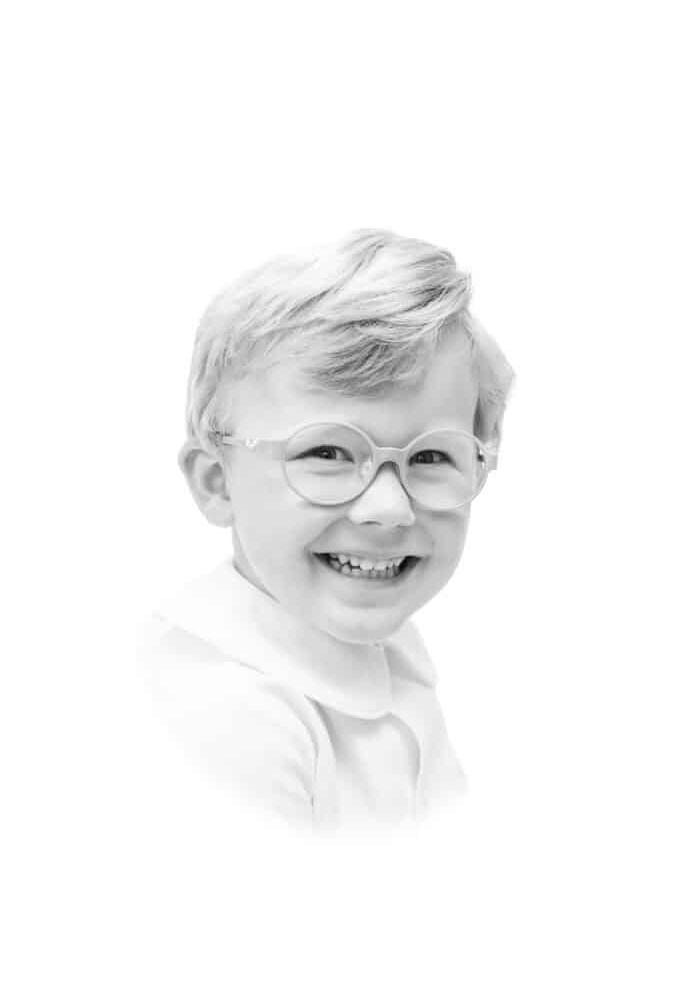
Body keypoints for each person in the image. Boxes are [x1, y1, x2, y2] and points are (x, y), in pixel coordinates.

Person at [137, 228, 514, 835]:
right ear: (218, 482)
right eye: (330, 453)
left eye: (431, 458)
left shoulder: (392, 656)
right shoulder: (221, 715)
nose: (388, 508)